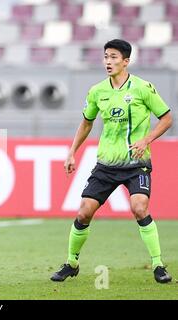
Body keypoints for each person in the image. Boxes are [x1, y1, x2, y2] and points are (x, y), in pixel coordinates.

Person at [50, 39, 173, 283]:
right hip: (106, 165)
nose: (108, 61)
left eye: (114, 57)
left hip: (136, 164)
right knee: (84, 213)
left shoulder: (142, 88)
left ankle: (158, 264)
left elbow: (167, 118)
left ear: (126, 61)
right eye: (106, 56)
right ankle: (71, 263)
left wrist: (146, 140)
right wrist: (71, 151)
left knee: (139, 208)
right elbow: (87, 122)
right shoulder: (97, 91)